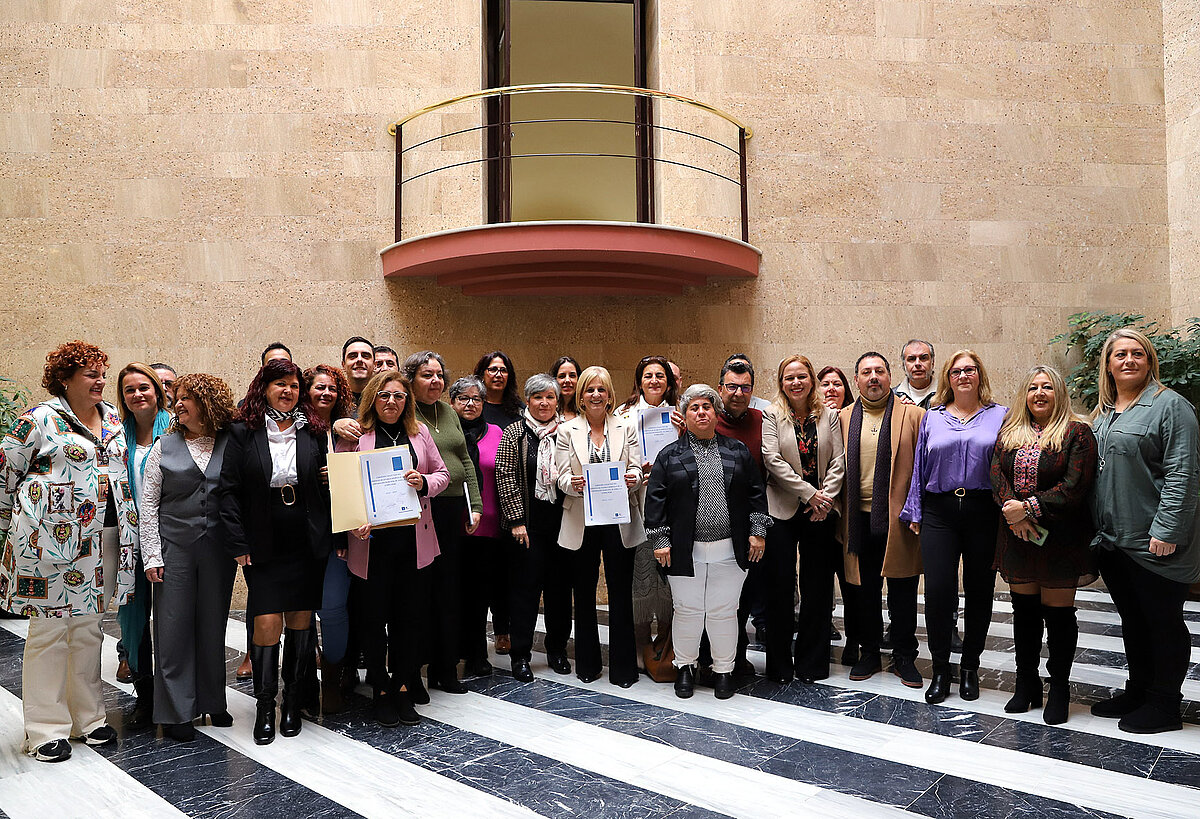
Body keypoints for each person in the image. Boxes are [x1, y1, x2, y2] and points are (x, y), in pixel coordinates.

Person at [1, 341, 136, 762]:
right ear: (65, 379)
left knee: (89, 627)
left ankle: (89, 718)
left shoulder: (113, 419)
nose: (100, 381)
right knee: (49, 633)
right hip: (49, 546)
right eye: (90, 374)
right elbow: (5, 473)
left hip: (105, 540)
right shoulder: (39, 420)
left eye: (101, 373)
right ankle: (44, 729)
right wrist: (15, 528)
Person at [217, 358, 334, 745]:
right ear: (264, 387)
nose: (288, 391)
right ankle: (265, 705)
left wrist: (331, 479)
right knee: (267, 621)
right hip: (262, 538)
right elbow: (228, 490)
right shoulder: (241, 430)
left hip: (306, 535)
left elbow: (324, 484)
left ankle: (293, 701)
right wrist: (236, 542)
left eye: (295, 386)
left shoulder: (314, 430)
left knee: (301, 619)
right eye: (280, 384)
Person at [1090, 328, 1200, 734]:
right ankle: (1138, 691)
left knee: (1163, 621)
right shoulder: (1104, 413)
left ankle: (1165, 704)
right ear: (1108, 364)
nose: (1129, 360)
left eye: (1138, 353)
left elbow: (1183, 473)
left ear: (1150, 361)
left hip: (1155, 541)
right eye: (1120, 354)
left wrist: (1168, 529)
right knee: (1133, 621)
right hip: (1114, 542)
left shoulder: (1171, 406)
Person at [646, 384, 770, 699]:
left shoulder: (737, 451)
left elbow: (756, 493)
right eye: (694, 408)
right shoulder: (669, 455)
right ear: (684, 416)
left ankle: (723, 671)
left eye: (707, 407)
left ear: (716, 413)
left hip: (731, 549)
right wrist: (661, 541)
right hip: (683, 551)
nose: (701, 412)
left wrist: (758, 532)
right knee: (687, 610)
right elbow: (655, 502)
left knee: (724, 612)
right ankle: (685, 668)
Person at [991, 365, 1098, 724]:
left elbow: (1074, 486)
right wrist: (1013, 512)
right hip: (1016, 536)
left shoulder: (1077, 432)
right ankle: (1027, 685)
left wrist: (1028, 508)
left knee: (1058, 616)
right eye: (1033, 387)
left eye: (1047, 387)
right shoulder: (1009, 430)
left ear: (1059, 393)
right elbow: (995, 473)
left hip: (1061, 539)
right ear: (1024, 393)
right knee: (1023, 612)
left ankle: (1060, 689)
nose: (1039, 393)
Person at [343, 371, 449, 726]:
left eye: (400, 396)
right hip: (371, 545)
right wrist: (354, 518)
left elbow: (443, 475)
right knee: (373, 621)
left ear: (408, 401)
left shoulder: (420, 434)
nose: (392, 402)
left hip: (413, 543)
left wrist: (424, 483)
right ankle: (381, 689)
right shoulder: (357, 436)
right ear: (374, 397)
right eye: (385, 395)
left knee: (410, 619)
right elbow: (343, 488)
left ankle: (403, 685)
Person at [902, 350, 1006, 703]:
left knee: (980, 591)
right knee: (939, 592)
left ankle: (970, 668)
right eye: (957, 371)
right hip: (939, 512)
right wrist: (914, 510)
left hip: (982, 510)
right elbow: (919, 466)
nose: (964, 376)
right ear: (947, 377)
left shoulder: (1000, 416)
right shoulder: (932, 418)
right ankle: (942, 669)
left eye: (971, 370)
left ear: (980, 376)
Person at [141, 373, 239, 741]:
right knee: (172, 629)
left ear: (207, 403)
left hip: (218, 550)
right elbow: (148, 504)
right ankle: (176, 712)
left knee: (213, 626)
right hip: (174, 549)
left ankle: (214, 702)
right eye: (176, 398)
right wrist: (152, 555)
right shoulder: (163, 447)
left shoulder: (231, 442)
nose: (177, 404)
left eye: (187, 398)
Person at [838, 352, 924, 689]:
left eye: (880, 371)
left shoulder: (914, 415)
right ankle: (869, 651)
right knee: (864, 590)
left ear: (890, 376)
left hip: (899, 518)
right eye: (866, 372)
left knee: (903, 588)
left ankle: (904, 655)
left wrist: (918, 510)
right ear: (856, 379)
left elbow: (922, 467)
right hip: (856, 518)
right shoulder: (842, 418)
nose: (873, 377)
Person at [556, 365, 644, 687]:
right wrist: (573, 484)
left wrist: (633, 478)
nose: (595, 395)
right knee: (583, 591)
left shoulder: (626, 427)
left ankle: (623, 669)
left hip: (618, 518)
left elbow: (635, 469)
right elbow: (560, 476)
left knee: (621, 592)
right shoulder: (567, 431)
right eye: (589, 389)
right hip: (583, 519)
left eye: (601, 389)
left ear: (609, 396)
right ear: (581, 395)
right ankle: (588, 665)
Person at [762, 355, 846, 683]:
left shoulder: (829, 414)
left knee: (818, 587)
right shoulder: (772, 413)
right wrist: (809, 493)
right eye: (788, 378)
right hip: (782, 509)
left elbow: (839, 459)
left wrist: (824, 497)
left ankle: (812, 664)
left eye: (801, 376)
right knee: (780, 587)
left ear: (811, 379)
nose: (795, 382)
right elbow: (772, 459)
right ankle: (780, 666)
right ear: (781, 382)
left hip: (820, 511)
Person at [403, 351, 482, 694]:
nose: (435, 380)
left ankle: (445, 668)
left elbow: (464, 458)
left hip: (452, 510)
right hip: (420, 509)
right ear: (411, 380)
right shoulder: (405, 413)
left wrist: (475, 505)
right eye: (426, 375)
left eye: (439, 375)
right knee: (421, 592)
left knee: (450, 591)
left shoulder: (448, 411)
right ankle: (414, 672)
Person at [495, 374, 574, 682]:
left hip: (563, 525)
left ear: (557, 401)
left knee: (558, 592)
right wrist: (516, 521)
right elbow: (505, 477)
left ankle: (557, 651)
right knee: (525, 593)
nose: (544, 403)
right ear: (527, 400)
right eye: (537, 397)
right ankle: (521, 656)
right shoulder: (514, 432)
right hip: (526, 528)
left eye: (550, 397)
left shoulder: (567, 433)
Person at [114, 362, 173, 730]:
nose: (137, 395)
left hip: (171, 537)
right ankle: (145, 696)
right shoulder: (115, 435)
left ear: (157, 390)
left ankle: (174, 693)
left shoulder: (178, 427)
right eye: (129, 390)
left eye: (144, 387)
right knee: (131, 617)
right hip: (126, 540)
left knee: (171, 616)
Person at [616, 355, 680, 672]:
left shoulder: (680, 414)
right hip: (637, 503)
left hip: (674, 508)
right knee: (640, 580)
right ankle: (642, 643)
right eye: (648, 376)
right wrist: (636, 471)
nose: (654, 381)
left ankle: (666, 643)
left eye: (660, 376)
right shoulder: (624, 414)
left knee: (669, 580)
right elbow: (616, 460)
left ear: (668, 382)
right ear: (639, 381)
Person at [304, 363, 356, 714]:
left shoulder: (349, 432)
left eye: (332, 389)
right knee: (301, 613)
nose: (325, 394)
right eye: (319, 387)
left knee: (333, 607)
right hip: (300, 535)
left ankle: (334, 674)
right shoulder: (293, 427)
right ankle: (304, 681)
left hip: (340, 533)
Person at [450, 375, 510, 673]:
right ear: (452, 403)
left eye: (476, 399)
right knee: (453, 593)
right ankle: (451, 650)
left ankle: (477, 653)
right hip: (452, 527)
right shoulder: (446, 434)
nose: (470, 404)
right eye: (463, 399)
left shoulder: (498, 433)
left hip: (489, 529)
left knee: (480, 594)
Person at [715, 357, 766, 675]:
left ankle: (738, 654)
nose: (737, 393)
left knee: (746, 595)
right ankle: (716, 658)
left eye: (744, 387)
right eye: (731, 386)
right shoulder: (705, 420)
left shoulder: (764, 420)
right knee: (718, 599)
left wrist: (758, 529)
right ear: (720, 388)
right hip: (713, 524)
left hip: (751, 526)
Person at [474, 350, 522, 428]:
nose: (499, 375)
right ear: (482, 374)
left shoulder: (519, 410)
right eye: (493, 370)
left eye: (503, 370)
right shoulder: (472, 406)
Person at [894, 340, 936, 409]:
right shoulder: (893, 397)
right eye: (911, 359)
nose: (917, 364)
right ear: (904, 364)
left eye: (923, 358)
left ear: (932, 362)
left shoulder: (946, 395)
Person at [342, 336, 375, 404]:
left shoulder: (384, 399)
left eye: (365, 356)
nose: (359, 359)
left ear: (374, 365)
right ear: (343, 365)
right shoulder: (334, 399)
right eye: (353, 356)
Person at [550, 356, 581, 423]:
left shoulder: (586, 411)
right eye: (562, 376)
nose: (567, 380)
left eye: (572, 376)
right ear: (554, 380)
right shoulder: (547, 409)